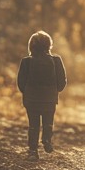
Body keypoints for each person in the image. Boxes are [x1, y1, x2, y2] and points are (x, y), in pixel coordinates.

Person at [16, 30, 67, 162]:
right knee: (48, 121)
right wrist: (55, 91)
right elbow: (62, 81)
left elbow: (21, 82)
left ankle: (33, 151)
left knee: (33, 124)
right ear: (49, 44)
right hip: (49, 98)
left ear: (31, 46)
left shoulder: (26, 61)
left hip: (31, 99)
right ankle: (47, 140)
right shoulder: (56, 60)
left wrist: (27, 93)